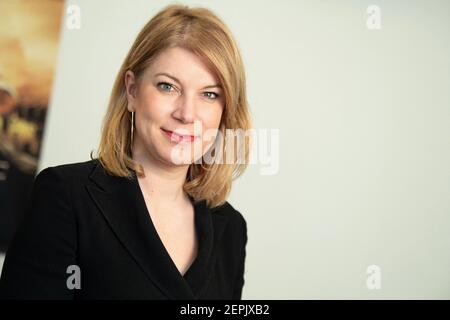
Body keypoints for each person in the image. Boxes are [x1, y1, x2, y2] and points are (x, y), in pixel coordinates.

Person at [0, 4, 252, 300]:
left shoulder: (231, 229)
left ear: (225, 110)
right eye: (168, 87)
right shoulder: (65, 196)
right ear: (132, 91)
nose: (187, 113)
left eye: (210, 94)